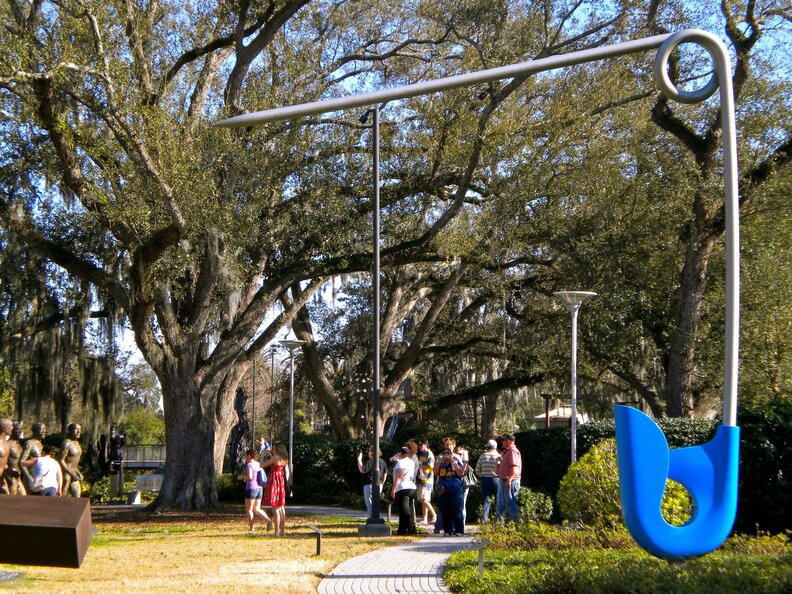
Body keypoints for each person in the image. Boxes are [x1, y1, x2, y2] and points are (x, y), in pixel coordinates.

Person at [434, 445, 465, 536]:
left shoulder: (455, 461)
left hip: (455, 489)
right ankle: (447, 530)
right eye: (444, 453)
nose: (446, 455)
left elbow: (461, 473)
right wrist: (439, 461)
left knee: (456, 510)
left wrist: (453, 462)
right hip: (443, 489)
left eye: (448, 453)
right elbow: (435, 472)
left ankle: (459, 530)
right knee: (444, 510)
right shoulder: (440, 463)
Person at [261, 442, 288, 537]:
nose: (272, 450)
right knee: (281, 508)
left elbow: (261, 465)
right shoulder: (283, 458)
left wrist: (263, 455)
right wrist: (270, 455)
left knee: (275, 508)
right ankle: (282, 531)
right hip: (280, 482)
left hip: (274, 482)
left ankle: (276, 532)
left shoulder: (275, 458)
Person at [242, 448, 271, 532]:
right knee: (257, 509)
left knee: (249, 510)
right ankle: (268, 521)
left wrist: (242, 477)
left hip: (251, 488)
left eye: (246, 456)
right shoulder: (258, 464)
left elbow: (250, 477)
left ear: (249, 456)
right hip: (259, 489)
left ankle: (252, 528)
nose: (245, 457)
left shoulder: (249, 465)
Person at [390, 446, 417, 535]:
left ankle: (411, 529)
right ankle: (401, 530)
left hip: (402, 488)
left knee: (404, 511)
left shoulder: (400, 463)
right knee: (407, 509)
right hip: (411, 487)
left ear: (401, 453)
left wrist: (393, 489)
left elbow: (398, 477)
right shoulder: (411, 462)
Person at [496, 434, 522, 523]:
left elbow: (514, 466)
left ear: (509, 441)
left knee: (511, 504)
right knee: (503, 504)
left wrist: (509, 479)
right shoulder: (508, 452)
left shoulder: (513, 451)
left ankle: (513, 526)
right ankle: (504, 525)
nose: (502, 442)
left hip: (510, 481)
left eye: (504, 440)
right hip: (504, 480)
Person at [357, 446, 387, 517]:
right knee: (375, 503)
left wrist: (359, 460)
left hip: (369, 484)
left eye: (369, 451)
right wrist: (382, 483)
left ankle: (372, 518)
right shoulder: (382, 461)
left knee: (369, 504)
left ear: (373, 452)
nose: (368, 452)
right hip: (379, 485)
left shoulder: (372, 460)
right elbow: (385, 473)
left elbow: (362, 470)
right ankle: (376, 517)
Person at [476, 439, 501, 523]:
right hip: (496, 479)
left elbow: (477, 470)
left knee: (486, 501)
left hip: (485, 479)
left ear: (487, 447)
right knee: (498, 500)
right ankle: (498, 520)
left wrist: (482, 475)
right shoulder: (499, 456)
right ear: (496, 447)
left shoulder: (483, 456)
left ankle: (483, 520)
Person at [19, 422, 45, 493]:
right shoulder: (29, 444)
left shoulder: (40, 444)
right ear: (35, 431)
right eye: (41, 429)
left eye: (44, 429)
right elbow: (21, 462)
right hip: (31, 476)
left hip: (40, 477)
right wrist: (28, 477)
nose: (44, 431)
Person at [59, 423, 83, 497]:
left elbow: (74, 463)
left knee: (77, 495)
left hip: (74, 472)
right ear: (70, 431)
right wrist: (70, 473)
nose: (79, 431)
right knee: (62, 496)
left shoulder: (77, 444)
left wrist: (78, 473)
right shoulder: (66, 443)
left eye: (80, 429)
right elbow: (61, 460)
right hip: (66, 473)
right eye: (76, 429)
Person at [416, 440, 437, 525]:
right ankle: (424, 519)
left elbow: (431, 466)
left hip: (427, 480)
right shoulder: (422, 454)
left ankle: (434, 515)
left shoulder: (429, 454)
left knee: (423, 499)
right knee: (423, 499)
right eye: (419, 445)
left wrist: (421, 466)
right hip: (421, 479)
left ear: (426, 445)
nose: (419, 446)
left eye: (421, 445)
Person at [3, 421, 26, 495]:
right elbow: (2, 461)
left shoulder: (19, 445)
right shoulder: (7, 444)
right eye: (18, 429)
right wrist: (8, 470)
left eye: (21, 429)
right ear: (12, 430)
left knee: (23, 497)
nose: (21, 431)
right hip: (10, 477)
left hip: (18, 477)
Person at [455, 444, 471, 525]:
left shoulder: (465, 464)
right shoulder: (454, 462)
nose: (459, 456)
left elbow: (463, 472)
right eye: (457, 454)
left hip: (464, 485)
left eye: (461, 454)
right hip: (455, 485)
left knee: (462, 504)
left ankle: (462, 523)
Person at [0, 419, 12, 494]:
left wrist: (9, 470)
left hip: (2, 477)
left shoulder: (7, 444)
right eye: (10, 426)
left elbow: (4, 462)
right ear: (4, 428)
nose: (12, 428)